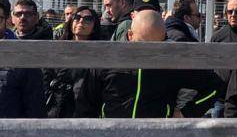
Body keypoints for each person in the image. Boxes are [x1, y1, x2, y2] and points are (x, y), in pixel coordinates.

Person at [77, 11, 221, 118]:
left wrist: (186, 112)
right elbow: (86, 103)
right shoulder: (107, 60)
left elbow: (215, 85)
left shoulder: (172, 63)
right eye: (143, 45)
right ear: (130, 35)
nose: (148, 53)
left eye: (156, 46)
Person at [44, 6, 102, 118]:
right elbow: (45, 79)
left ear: (94, 26)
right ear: (71, 22)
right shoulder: (56, 50)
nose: (81, 21)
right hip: (56, 112)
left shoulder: (99, 54)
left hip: (86, 114)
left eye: (88, 19)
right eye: (77, 17)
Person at [0, 0, 45, 118]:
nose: (23, 18)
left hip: (11, 132)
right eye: (19, 14)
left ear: (7, 20)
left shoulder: (24, 58)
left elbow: (35, 108)